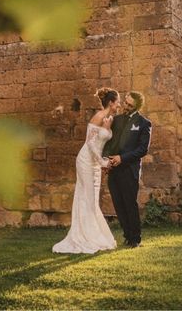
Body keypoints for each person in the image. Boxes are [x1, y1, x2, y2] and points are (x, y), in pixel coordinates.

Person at [52, 88, 120, 254]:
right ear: (111, 103)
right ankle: (84, 236)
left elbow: (103, 142)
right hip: (85, 159)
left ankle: (93, 233)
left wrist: (103, 161)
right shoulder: (98, 116)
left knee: (92, 198)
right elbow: (89, 143)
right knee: (86, 196)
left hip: (96, 162)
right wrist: (103, 162)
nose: (119, 104)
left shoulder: (110, 118)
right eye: (118, 101)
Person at [103, 91, 151, 248]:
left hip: (129, 170)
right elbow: (108, 143)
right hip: (114, 170)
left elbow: (143, 149)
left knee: (130, 203)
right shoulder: (116, 120)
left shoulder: (144, 123)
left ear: (137, 106)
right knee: (118, 204)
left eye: (130, 105)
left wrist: (122, 158)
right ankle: (126, 235)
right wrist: (106, 161)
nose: (126, 107)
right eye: (126, 103)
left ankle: (135, 239)